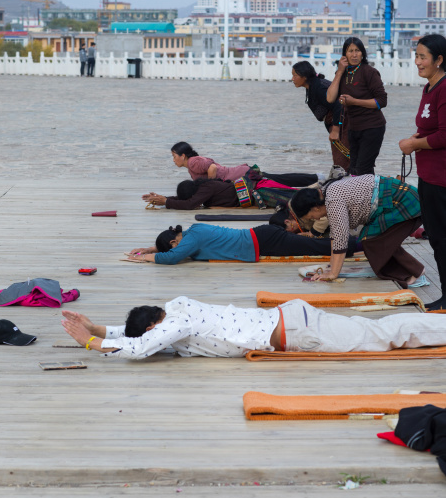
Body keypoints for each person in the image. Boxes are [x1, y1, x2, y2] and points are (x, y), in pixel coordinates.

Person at [61, 296, 446, 358]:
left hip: (296, 331)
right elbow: (141, 338)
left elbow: (141, 347)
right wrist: (98, 328)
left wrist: (91, 343)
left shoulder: (176, 323)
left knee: (383, 335)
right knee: (378, 329)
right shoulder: (177, 308)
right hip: (292, 319)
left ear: (154, 324)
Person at [290, 175, 426, 288]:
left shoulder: (333, 201)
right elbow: (335, 238)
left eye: (312, 217)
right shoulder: (326, 192)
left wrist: (333, 274)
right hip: (392, 200)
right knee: (375, 239)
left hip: (401, 201)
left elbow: (340, 238)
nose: (317, 218)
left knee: (373, 240)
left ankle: (414, 271)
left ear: (315, 208)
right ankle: (410, 270)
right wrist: (332, 266)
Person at [399, 34, 446, 311]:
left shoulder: (443, 88)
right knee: (437, 239)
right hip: (428, 176)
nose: (417, 62)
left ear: (439, 60)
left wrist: (414, 144)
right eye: (416, 56)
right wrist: (417, 137)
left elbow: (444, 135)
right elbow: (430, 127)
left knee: (441, 240)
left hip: (441, 178)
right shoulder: (429, 88)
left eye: (423, 57)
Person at [126, 221, 362, 264]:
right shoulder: (192, 231)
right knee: (314, 245)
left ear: (173, 242)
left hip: (264, 241)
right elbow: (173, 249)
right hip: (262, 237)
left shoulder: (190, 240)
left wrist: (146, 258)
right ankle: (361, 242)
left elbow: (173, 257)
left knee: (318, 247)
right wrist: (152, 248)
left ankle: (362, 244)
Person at [326, 37, 387, 175]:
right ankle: (368, 195)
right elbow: (330, 98)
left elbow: (382, 101)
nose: (354, 55)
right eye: (350, 51)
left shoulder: (369, 72)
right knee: (353, 169)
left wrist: (355, 101)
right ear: (344, 55)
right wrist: (340, 71)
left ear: (363, 53)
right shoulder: (343, 73)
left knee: (362, 169)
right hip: (353, 129)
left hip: (372, 127)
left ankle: (368, 195)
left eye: (357, 51)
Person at [143, 167, 319, 211]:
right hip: (258, 186)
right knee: (293, 190)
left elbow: (190, 204)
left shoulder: (206, 189)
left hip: (260, 191)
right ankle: (319, 186)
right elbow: (187, 200)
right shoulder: (203, 187)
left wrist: (166, 201)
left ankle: (321, 190)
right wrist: (163, 198)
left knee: (296, 198)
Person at [170, 141, 318, 185]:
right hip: (242, 173)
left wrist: (211, 186)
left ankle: (317, 178)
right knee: (279, 179)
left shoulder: (193, 162)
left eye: (174, 156)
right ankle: (316, 178)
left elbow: (212, 167)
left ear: (183, 156)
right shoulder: (192, 165)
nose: (173, 160)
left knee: (279, 180)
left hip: (244, 175)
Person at [291, 61, 350, 172]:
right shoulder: (313, 85)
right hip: (336, 122)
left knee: (342, 160)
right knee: (343, 159)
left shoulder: (318, 87)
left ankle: (348, 185)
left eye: (295, 75)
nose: (292, 79)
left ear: (304, 76)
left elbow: (338, 105)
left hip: (342, 123)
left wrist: (335, 130)